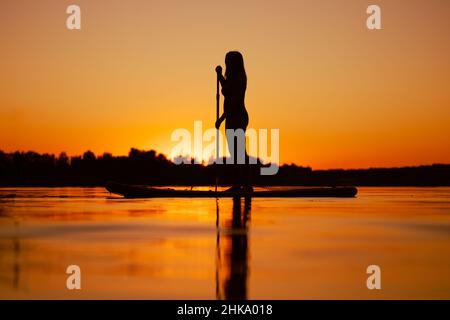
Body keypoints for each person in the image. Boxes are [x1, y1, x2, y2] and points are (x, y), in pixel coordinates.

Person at [215, 51, 252, 192]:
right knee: (234, 152)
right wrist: (219, 75)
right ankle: (240, 184)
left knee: (239, 152)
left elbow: (235, 102)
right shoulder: (230, 78)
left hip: (238, 116)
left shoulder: (240, 78)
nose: (227, 64)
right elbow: (226, 89)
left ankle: (245, 185)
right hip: (230, 118)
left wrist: (221, 118)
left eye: (229, 61)